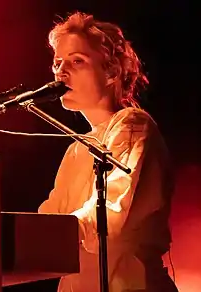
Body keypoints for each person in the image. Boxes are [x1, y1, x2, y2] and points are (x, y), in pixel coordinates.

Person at [38, 12, 178, 292]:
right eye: (57, 62)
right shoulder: (77, 148)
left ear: (112, 71)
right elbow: (51, 218)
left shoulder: (133, 124)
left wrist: (41, 236)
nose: (60, 72)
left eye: (77, 60)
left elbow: (110, 217)